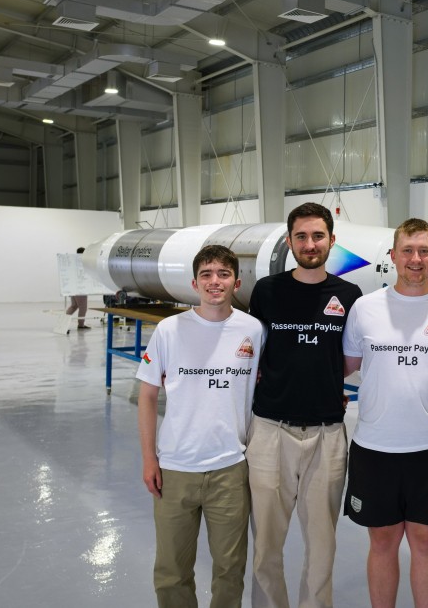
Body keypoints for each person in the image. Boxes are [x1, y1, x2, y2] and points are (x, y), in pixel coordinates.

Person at [341, 218, 428, 608]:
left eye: (423, 251)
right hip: (375, 448)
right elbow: (342, 367)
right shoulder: (365, 308)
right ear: (393, 256)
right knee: (382, 542)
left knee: (425, 542)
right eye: (407, 250)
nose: (415, 259)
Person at [136, 244, 264, 608]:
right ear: (194, 283)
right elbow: (147, 396)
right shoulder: (169, 330)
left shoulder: (252, 330)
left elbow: (271, 383)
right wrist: (149, 459)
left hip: (230, 468)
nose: (214, 282)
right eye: (206, 274)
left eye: (223, 274)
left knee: (230, 569)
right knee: (172, 571)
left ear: (236, 282)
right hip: (176, 468)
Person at [247, 203, 362, 608]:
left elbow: (349, 358)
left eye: (317, 236)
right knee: (266, 545)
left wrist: (324, 381)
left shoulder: (349, 296)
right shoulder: (267, 291)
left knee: (322, 546)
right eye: (301, 236)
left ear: (332, 240)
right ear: (289, 241)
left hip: (327, 434)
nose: (310, 244)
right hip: (270, 431)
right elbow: (254, 350)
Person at [66, 247, 91, 330]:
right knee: (83, 307)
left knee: (74, 306)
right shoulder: (82, 263)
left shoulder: (73, 262)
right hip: (80, 288)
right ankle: (81, 325)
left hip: (73, 287)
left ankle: (63, 323)